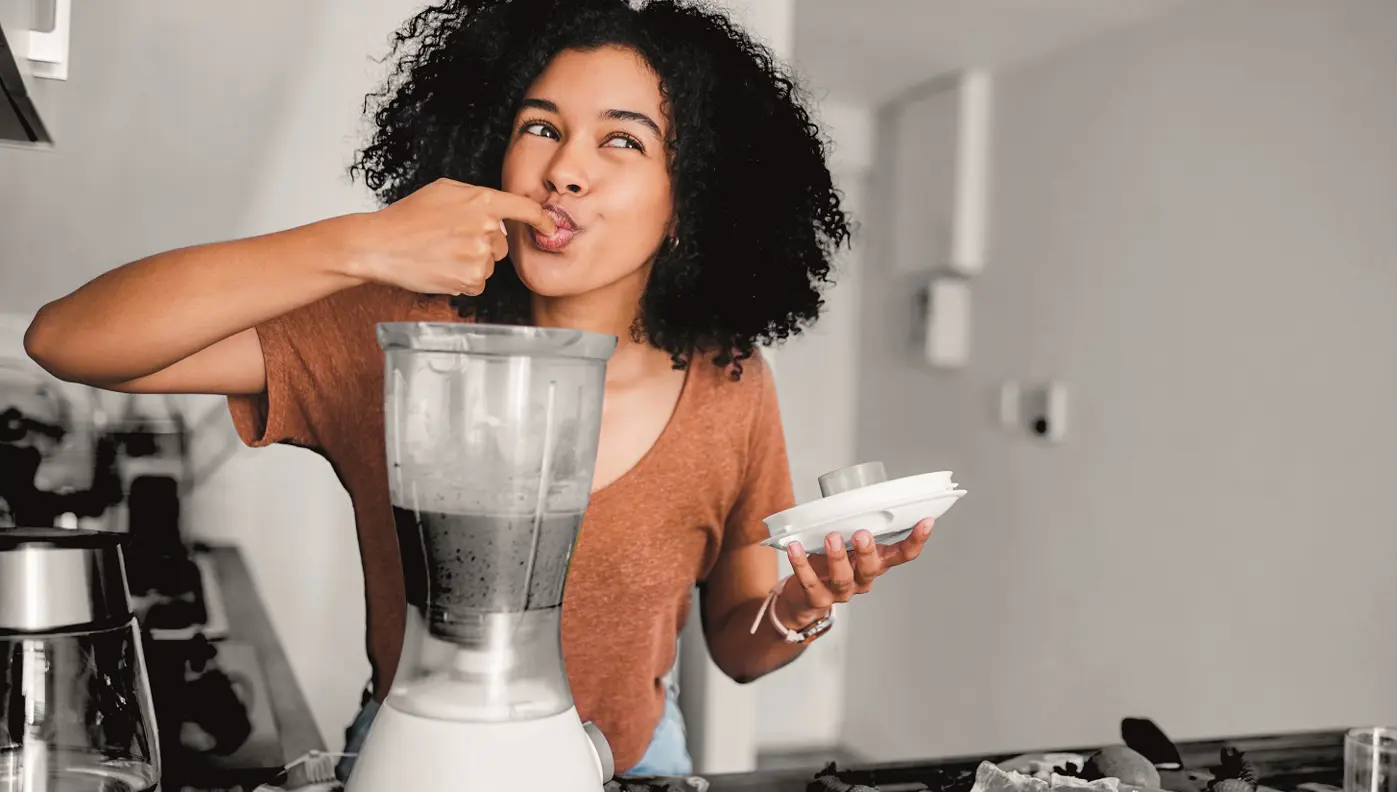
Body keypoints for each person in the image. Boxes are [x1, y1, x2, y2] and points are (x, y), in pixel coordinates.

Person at [25, 0, 935, 777]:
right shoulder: (398, 335)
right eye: (541, 126)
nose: (563, 168)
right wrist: (365, 243)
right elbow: (67, 339)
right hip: (417, 758)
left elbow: (739, 648)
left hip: (636, 769)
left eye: (622, 139)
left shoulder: (728, 383)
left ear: (689, 200)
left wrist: (801, 607)